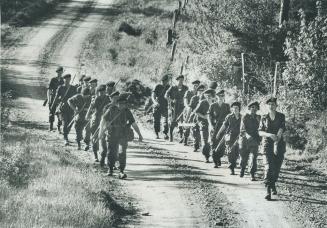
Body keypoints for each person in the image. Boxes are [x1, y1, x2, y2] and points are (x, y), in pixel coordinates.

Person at [99, 92, 143, 178]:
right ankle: (110, 169)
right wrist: (101, 133)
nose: (123, 105)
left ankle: (121, 171)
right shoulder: (111, 109)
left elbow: (133, 123)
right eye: (121, 103)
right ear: (117, 103)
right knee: (111, 152)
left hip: (123, 134)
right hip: (112, 134)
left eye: (124, 104)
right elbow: (103, 121)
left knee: (122, 152)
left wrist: (139, 134)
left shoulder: (127, 111)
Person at [258, 97, 286, 200]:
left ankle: (273, 184)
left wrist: (276, 140)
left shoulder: (281, 116)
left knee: (276, 169)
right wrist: (269, 135)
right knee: (268, 167)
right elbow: (260, 132)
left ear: (276, 105)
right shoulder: (264, 117)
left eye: (273, 104)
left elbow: (281, 129)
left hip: (279, 144)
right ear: (267, 106)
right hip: (267, 145)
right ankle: (268, 190)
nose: (271, 106)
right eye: (269, 104)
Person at [85, 85, 111, 164]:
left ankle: (103, 156)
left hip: (104, 120)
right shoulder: (96, 99)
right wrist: (87, 115)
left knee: (104, 139)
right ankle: (95, 155)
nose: (101, 94)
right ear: (98, 92)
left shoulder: (107, 99)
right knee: (95, 138)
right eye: (100, 92)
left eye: (103, 92)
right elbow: (91, 107)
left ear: (105, 91)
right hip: (96, 120)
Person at [215, 101, 242, 174]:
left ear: (239, 109)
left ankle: (234, 162)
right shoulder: (229, 117)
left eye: (236, 108)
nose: (235, 109)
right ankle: (231, 167)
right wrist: (219, 133)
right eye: (233, 108)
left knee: (236, 152)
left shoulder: (242, 117)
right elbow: (224, 125)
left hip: (239, 136)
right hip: (229, 136)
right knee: (230, 152)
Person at [53, 74, 77, 145]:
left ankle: (66, 134)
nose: (66, 81)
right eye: (65, 79)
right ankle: (65, 138)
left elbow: (76, 99)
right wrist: (53, 106)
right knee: (65, 123)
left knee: (70, 123)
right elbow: (56, 97)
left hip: (71, 108)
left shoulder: (73, 88)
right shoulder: (60, 88)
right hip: (62, 108)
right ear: (63, 80)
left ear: (70, 79)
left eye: (68, 79)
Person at [239, 101, 261, 180]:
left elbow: (261, 128)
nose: (254, 109)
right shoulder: (245, 117)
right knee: (243, 157)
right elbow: (242, 129)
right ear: (249, 108)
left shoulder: (259, 118)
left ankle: (252, 173)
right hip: (245, 140)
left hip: (255, 140)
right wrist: (248, 136)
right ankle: (242, 169)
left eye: (255, 108)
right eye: (252, 107)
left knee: (253, 157)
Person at [194, 88, 216, 162]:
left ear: (212, 96)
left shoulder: (215, 103)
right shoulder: (202, 103)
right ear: (205, 96)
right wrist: (204, 117)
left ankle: (216, 157)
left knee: (214, 141)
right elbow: (196, 112)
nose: (208, 97)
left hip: (213, 125)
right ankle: (206, 156)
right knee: (205, 140)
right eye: (207, 96)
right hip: (204, 123)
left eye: (210, 96)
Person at [210, 90, 231, 168]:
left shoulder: (227, 106)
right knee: (214, 143)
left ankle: (219, 157)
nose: (221, 97)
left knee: (222, 145)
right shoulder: (213, 106)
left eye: (222, 96)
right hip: (215, 127)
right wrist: (211, 125)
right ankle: (215, 161)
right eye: (219, 96)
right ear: (216, 96)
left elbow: (229, 117)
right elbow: (210, 117)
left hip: (223, 127)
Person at [165, 75, 188, 142]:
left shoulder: (185, 88)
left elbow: (188, 96)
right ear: (177, 80)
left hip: (182, 107)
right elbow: (166, 95)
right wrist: (171, 100)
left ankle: (181, 136)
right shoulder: (173, 87)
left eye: (182, 80)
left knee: (182, 121)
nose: (181, 81)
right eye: (180, 80)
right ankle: (171, 135)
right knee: (173, 120)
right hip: (174, 107)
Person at [186, 84, 206, 152]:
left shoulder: (205, 99)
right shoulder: (194, 98)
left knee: (202, 132)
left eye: (203, 91)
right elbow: (190, 109)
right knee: (195, 132)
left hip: (202, 118)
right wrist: (187, 119)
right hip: (195, 117)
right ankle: (195, 145)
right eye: (200, 90)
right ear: (197, 91)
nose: (201, 92)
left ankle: (201, 146)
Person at [152, 74, 170, 139]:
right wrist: (155, 102)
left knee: (165, 120)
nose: (164, 82)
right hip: (157, 105)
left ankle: (165, 133)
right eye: (163, 81)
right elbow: (153, 96)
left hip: (165, 106)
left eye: (166, 81)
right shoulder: (157, 86)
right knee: (156, 120)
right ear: (162, 81)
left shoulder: (168, 87)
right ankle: (156, 134)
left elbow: (170, 96)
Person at [182, 80, 200, 145]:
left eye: (197, 86)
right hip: (188, 110)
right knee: (188, 124)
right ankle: (185, 139)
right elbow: (185, 101)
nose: (196, 87)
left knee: (195, 126)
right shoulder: (188, 92)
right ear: (193, 85)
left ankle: (195, 142)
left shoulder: (199, 93)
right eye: (195, 85)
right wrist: (188, 108)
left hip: (196, 111)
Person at [47, 66, 64, 132]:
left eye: (61, 72)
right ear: (57, 72)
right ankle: (51, 127)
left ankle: (58, 127)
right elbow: (49, 90)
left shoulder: (63, 80)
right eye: (58, 72)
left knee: (60, 113)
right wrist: (49, 99)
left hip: (60, 99)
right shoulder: (53, 79)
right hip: (53, 98)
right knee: (51, 112)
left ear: (62, 72)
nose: (59, 73)